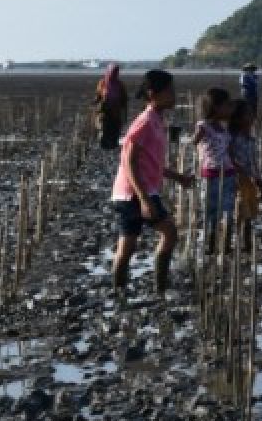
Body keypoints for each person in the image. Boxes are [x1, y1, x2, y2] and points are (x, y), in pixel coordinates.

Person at [110, 70, 194, 292]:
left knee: (138, 241)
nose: (174, 95)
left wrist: (179, 178)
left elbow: (152, 163)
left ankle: (154, 287)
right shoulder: (145, 121)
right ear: (152, 94)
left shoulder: (157, 120)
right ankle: (136, 289)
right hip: (132, 193)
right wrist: (144, 199)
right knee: (141, 241)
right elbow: (128, 160)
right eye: (169, 91)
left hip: (143, 191)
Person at [193, 88, 236, 254]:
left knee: (227, 210)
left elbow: (229, 151)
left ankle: (226, 245)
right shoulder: (204, 126)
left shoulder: (225, 130)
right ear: (216, 107)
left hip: (228, 174)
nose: (230, 109)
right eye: (227, 105)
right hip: (210, 175)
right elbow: (193, 141)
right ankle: (210, 244)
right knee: (210, 211)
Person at [229, 98, 262, 253]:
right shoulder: (232, 138)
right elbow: (230, 158)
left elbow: (253, 161)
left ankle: (247, 244)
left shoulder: (250, 139)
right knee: (239, 209)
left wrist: (258, 178)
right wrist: (241, 171)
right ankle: (234, 241)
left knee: (250, 212)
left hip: (250, 180)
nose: (252, 117)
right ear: (237, 119)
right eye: (248, 114)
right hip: (238, 180)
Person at [94, 63, 129, 150]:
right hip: (104, 111)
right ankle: (104, 145)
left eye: (116, 72)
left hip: (116, 112)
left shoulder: (120, 85)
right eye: (112, 71)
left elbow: (125, 100)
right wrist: (95, 102)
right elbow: (98, 95)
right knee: (104, 129)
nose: (114, 73)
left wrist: (125, 114)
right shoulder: (102, 83)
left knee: (115, 129)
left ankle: (113, 145)